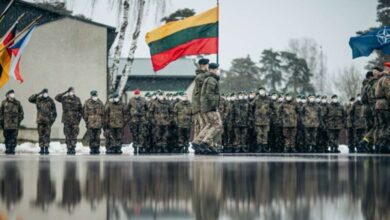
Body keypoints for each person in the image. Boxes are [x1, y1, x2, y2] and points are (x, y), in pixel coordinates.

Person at [192, 63, 223, 155]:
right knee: (217, 124)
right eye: (217, 69)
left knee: (209, 124)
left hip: (205, 106)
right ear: (213, 70)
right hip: (209, 107)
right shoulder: (211, 80)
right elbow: (209, 94)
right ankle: (205, 142)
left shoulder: (209, 79)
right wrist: (214, 105)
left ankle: (198, 142)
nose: (218, 71)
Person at [28, 89, 57, 155]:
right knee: (41, 135)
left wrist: (51, 121)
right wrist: (38, 94)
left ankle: (46, 148)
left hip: (47, 122)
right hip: (40, 121)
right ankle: (41, 148)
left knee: (47, 135)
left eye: (46, 92)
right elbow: (30, 99)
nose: (45, 94)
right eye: (44, 93)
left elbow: (55, 113)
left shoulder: (50, 101)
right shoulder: (38, 99)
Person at [55, 87, 83, 155]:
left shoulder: (77, 99)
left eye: (73, 91)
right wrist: (65, 92)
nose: (72, 92)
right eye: (70, 91)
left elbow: (81, 110)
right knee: (67, 135)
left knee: (74, 135)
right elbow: (57, 97)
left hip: (75, 120)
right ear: (68, 92)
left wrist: (78, 119)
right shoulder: (64, 98)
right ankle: (69, 148)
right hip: (66, 120)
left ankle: (73, 148)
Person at [191, 58, 209, 154]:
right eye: (207, 65)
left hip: (199, 105)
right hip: (199, 105)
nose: (208, 67)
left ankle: (198, 145)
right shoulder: (200, 77)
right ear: (203, 66)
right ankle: (197, 143)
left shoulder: (201, 76)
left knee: (200, 126)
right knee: (203, 125)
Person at [0, 90, 24, 154]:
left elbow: (21, 113)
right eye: (11, 94)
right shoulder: (4, 103)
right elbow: (1, 113)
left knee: (14, 137)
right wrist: (2, 122)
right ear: (7, 95)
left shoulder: (17, 103)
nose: (12, 95)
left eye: (13, 93)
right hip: (6, 124)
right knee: (7, 137)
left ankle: (12, 149)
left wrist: (18, 121)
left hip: (14, 124)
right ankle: (7, 148)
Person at [126, 89, 148, 154]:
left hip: (142, 120)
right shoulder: (131, 100)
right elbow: (127, 109)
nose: (136, 95)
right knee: (135, 134)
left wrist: (144, 115)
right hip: (134, 120)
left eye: (137, 94)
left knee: (141, 134)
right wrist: (130, 117)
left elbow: (147, 109)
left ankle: (140, 147)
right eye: (135, 94)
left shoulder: (143, 100)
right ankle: (135, 148)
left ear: (139, 94)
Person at [374, 62, 390, 153]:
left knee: (382, 126)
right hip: (385, 105)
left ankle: (379, 144)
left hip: (378, 105)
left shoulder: (380, 79)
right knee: (388, 125)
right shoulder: (387, 79)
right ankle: (384, 144)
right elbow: (389, 93)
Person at [83, 90, 104, 155]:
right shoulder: (87, 102)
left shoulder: (100, 102)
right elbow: (84, 113)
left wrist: (101, 122)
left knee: (97, 137)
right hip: (90, 123)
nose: (95, 96)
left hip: (98, 123)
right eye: (94, 95)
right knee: (91, 137)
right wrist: (87, 122)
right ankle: (92, 149)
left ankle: (97, 148)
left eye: (96, 95)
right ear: (91, 95)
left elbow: (103, 113)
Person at [254, 87, 271, 153]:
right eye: (260, 90)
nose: (262, 92)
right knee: (259, 134)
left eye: (263, 90)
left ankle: (264, 148)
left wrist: (269, 115)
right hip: (258, 120)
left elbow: (272, 108)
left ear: (265, 91)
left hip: (266, 120)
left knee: (265, 134)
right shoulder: (256, 99)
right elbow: (251, 105)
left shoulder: (268, 99)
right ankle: (259, 148)